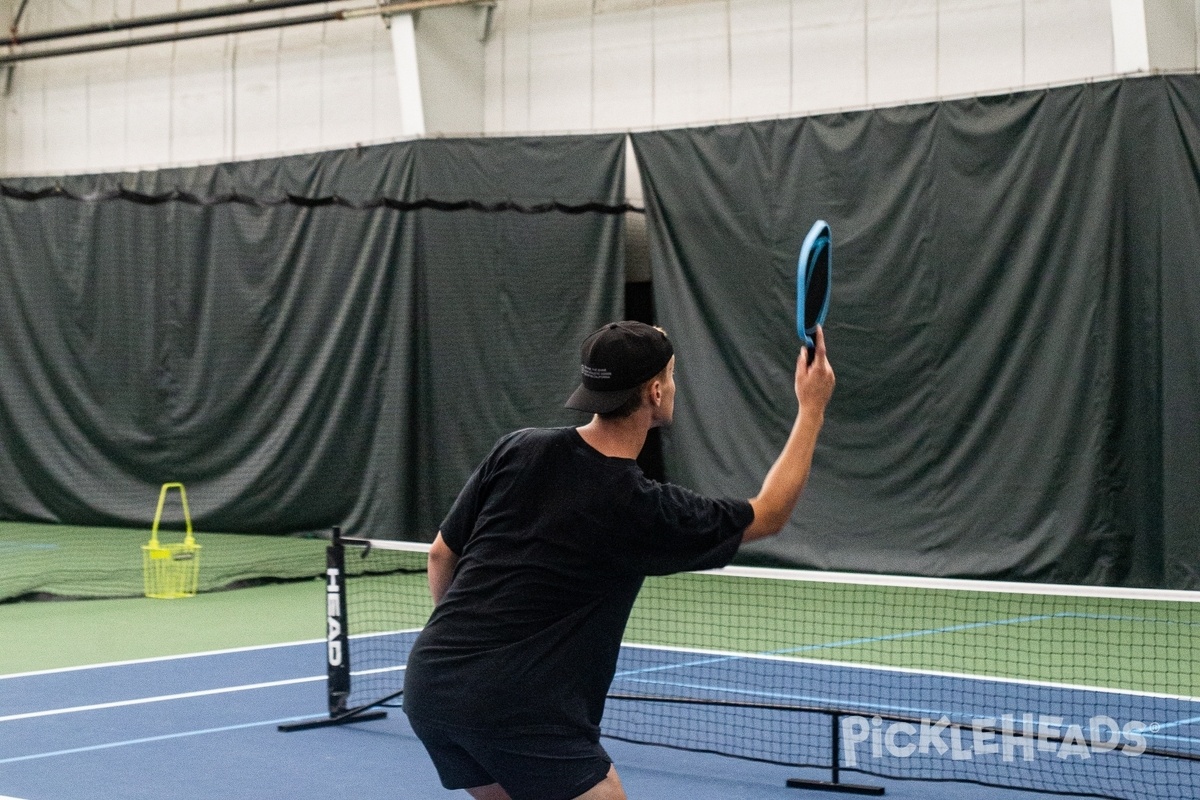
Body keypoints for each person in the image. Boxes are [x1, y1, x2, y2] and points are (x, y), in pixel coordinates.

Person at [403, 320, 835, 800]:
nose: (673, 384)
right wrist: (811, 406)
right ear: (654, 391)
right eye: (670, 375)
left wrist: (466, 645)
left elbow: (442, 554)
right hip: (515, 708)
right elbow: (770, 514)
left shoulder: (519, 448)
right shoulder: (640, 509)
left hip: (432, 683)